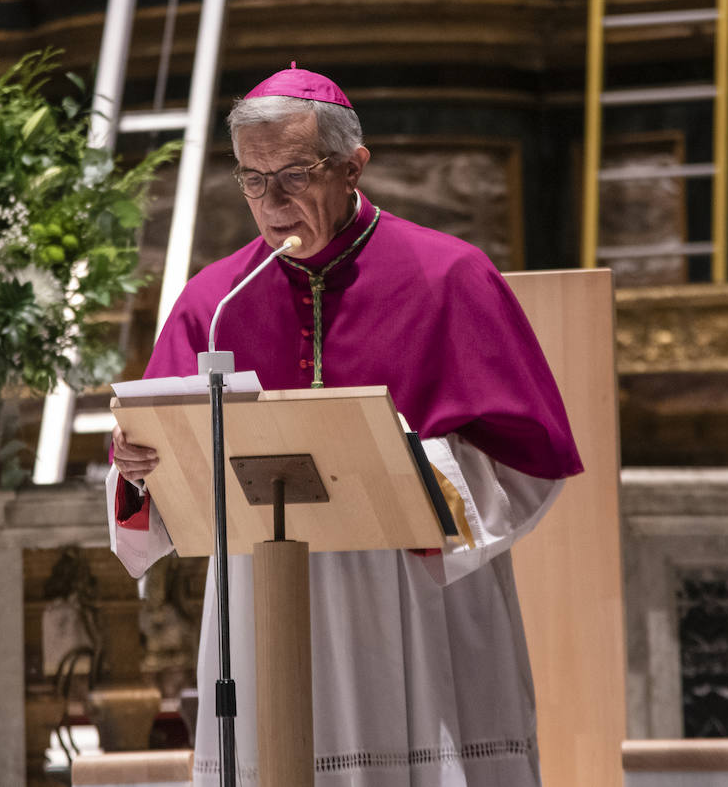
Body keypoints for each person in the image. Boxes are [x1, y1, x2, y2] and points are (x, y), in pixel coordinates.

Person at [105, 64, 583, 786]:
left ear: (352, 166)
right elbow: (155, 464)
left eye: (293, 176)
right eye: (252, 179)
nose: (271, 202)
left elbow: (526, 450)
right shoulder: (216, 300)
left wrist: (404, 472)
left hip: (417, 593)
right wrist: (140, 469)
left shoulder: (449, 276)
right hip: (265, 597)